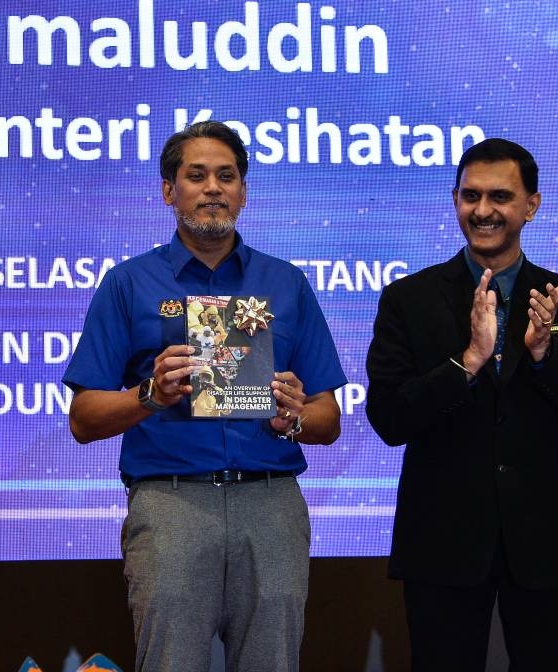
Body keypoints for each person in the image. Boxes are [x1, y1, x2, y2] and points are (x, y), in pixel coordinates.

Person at [63, 121, 346, 672]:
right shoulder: (129, 285)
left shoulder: (285, 284)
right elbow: (83, 418)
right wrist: (149, 394)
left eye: (227, 176)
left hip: (271, 502)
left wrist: (292, 418)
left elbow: (328, 419)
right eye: (197, 176)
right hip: (171, 504)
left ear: (243, 191)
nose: (213, 188)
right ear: (169, 190)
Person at [365, 138, 558, 671]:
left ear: (532, 204)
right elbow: (389, 419)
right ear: (454, 199)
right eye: (470, 195)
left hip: (551, 545)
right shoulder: (407, 299)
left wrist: (547, 354)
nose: (482, 211)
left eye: (500, 196)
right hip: (443, 546)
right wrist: (468, 362)